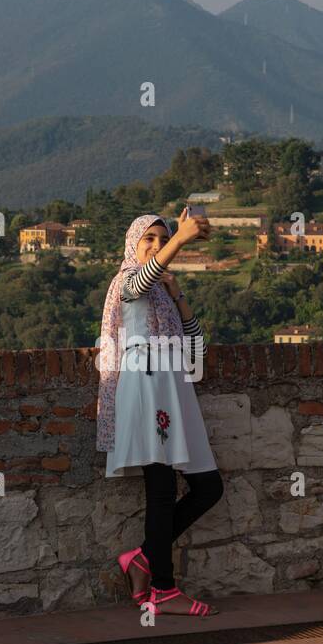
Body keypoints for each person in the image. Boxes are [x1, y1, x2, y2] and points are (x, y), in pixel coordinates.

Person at [97, 211, 223, 617]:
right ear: (134, 244)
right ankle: (164, 590)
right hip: (146, 383)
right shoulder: (128, 282)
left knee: (208, 487)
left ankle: (143, 558)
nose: (155, 244)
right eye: (148, 238)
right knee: (162, 490)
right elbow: (139, 279)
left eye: (162, 238)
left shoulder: (163, 291)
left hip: (175, 387)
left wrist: (179, 295)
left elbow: (198, 352)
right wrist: (180, 240)